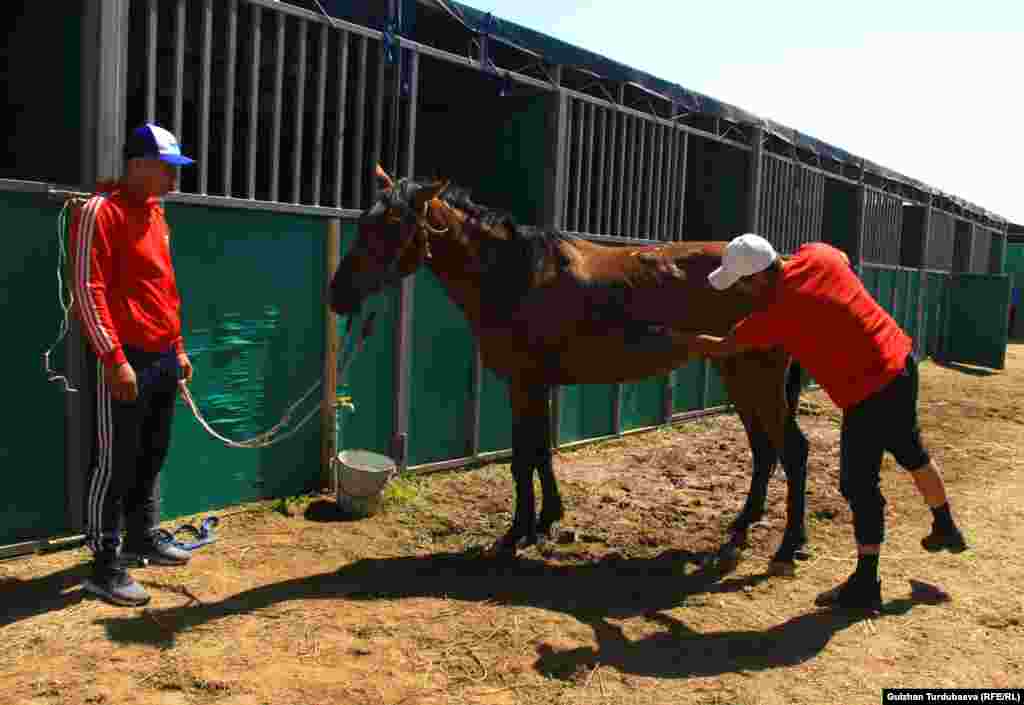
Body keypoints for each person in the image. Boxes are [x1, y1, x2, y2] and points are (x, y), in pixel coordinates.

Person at [688, 233, 967, 610]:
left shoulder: (774, 316)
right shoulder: (818, 256)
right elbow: (843, 255)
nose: (741, 292)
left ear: (757, 279)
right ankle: (945, 525)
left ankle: (866, 584)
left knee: (858, 484)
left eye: (741, 284)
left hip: (867, 391)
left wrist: (680, 340)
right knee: (911, 451)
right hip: (900, 362)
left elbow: (722, 346)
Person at [71, 123, 196, 606]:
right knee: (115, 461)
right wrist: (113, 358)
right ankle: (104, 563)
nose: (173, 179)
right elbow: (88, 287)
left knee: (152, 452)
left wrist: (178, 346)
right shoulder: (99, 212)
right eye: (167, 169)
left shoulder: (156, 215)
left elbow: (164, 288)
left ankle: (143, 537)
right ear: (140, 165)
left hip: (162, 356)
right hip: (124, 358)